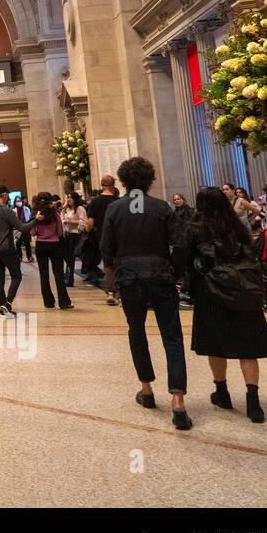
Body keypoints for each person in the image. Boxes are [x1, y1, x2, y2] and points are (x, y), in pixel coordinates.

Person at [101, 157, 191, 431]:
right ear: (150, 179)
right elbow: (181, 243)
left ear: (124, 181)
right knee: (171, 334)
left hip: (130, 277)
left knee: (136, 331)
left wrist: (114, 273)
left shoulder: (115, 209)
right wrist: (174, 271)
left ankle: (147, 389)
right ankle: (178, 401)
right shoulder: (162, 207)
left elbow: (106, 247)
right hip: (161, 273)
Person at [178, 187, 267, 423]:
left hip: (211, 290)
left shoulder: (195, 227)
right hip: (243, 289)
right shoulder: (237, 226)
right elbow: (250, 253)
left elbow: (183, 258)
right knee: (248, 346)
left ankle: (221, 392)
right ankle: (253, 401)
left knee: (215, 343)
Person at [0, 186, 33, 317]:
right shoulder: (7, 211)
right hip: (7, 248)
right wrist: (36, 221)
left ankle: (3, 307)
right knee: (16, 276)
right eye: (8, 195)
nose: (9, 197)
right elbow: (23, 228)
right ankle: (8, 303)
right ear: (3, 195)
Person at [85, 175, 121, 303]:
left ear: (101, 185)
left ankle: (110, 292)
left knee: (108, 264)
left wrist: (87, 230)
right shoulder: (118, 201)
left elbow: (90, 223)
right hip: (119, 237)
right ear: (113, 185)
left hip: (103, 237)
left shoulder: (95, 201)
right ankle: (120, 292)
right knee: (119, 263)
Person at [31, 194, 72, 309]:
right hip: (54, 244)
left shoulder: (35, 215)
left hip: (40, 245)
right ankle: (64, 302)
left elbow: (32, 233)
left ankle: (48, 302)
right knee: (58, 274)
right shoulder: (55, 214)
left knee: (43, 275)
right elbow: (59, 232)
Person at [170, 193, 196, 303]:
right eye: (174, 199)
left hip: (188, 243)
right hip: (178, 244)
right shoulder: (173, 213)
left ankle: (188, 290)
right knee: (177, 267)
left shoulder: (191, 211)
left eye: (178, 199)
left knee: (188, 268)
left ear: (183, 199)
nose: (176, 201)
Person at [60, 193, 85, 287]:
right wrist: (63, 208)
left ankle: (70, 278)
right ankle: (69, 278)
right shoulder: (67, 210)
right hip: (68, 235)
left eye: (71, 198)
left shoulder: (80, 209)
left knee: (77, 257)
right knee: (68, 257)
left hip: (77, 235)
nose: (69, 199)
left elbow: (83, 222)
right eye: (68, 198)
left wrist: (71, 222)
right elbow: (62, 219)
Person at [13, 195, 33, 263]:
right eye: (17, 201)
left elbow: (29, 217)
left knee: (27, 242)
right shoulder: (13, 210)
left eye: (19, 201)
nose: (19, 202)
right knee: (18, 243)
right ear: (15, 202)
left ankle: (29, 257)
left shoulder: (26, 208)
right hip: (18, 229)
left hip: (25, 227)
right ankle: (20, 257)